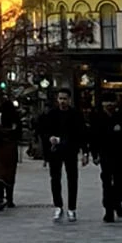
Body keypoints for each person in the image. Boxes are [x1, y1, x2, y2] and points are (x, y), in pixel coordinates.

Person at [36, 89, 88, 223]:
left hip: (71, 150)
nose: (62, 101)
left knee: (72, 179)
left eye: (65, 98)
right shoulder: (52, 114)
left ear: (69, 100)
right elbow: (44, 130)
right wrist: (50, 139)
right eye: (60, 98)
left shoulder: (76, 114)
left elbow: (81, 134)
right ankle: (58, 206)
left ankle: (72, 208)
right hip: (55, 151)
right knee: (55, 179)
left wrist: (85, 152)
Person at [88, 93, 122, 223]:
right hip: (105, 154)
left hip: (120, 155)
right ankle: (108, 210)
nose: (110, 105)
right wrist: (94, 155)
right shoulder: (97, 117)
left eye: (112, 102)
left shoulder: (121, 116)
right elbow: (93, 137)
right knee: (106, 182)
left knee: (118, 182)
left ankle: (118, 202)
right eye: (107, 102)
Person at [0, 99, 21, 207]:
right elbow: (19, 135)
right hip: (10, 150)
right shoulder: (15, 120)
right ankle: (9, 199)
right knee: (9, 175)